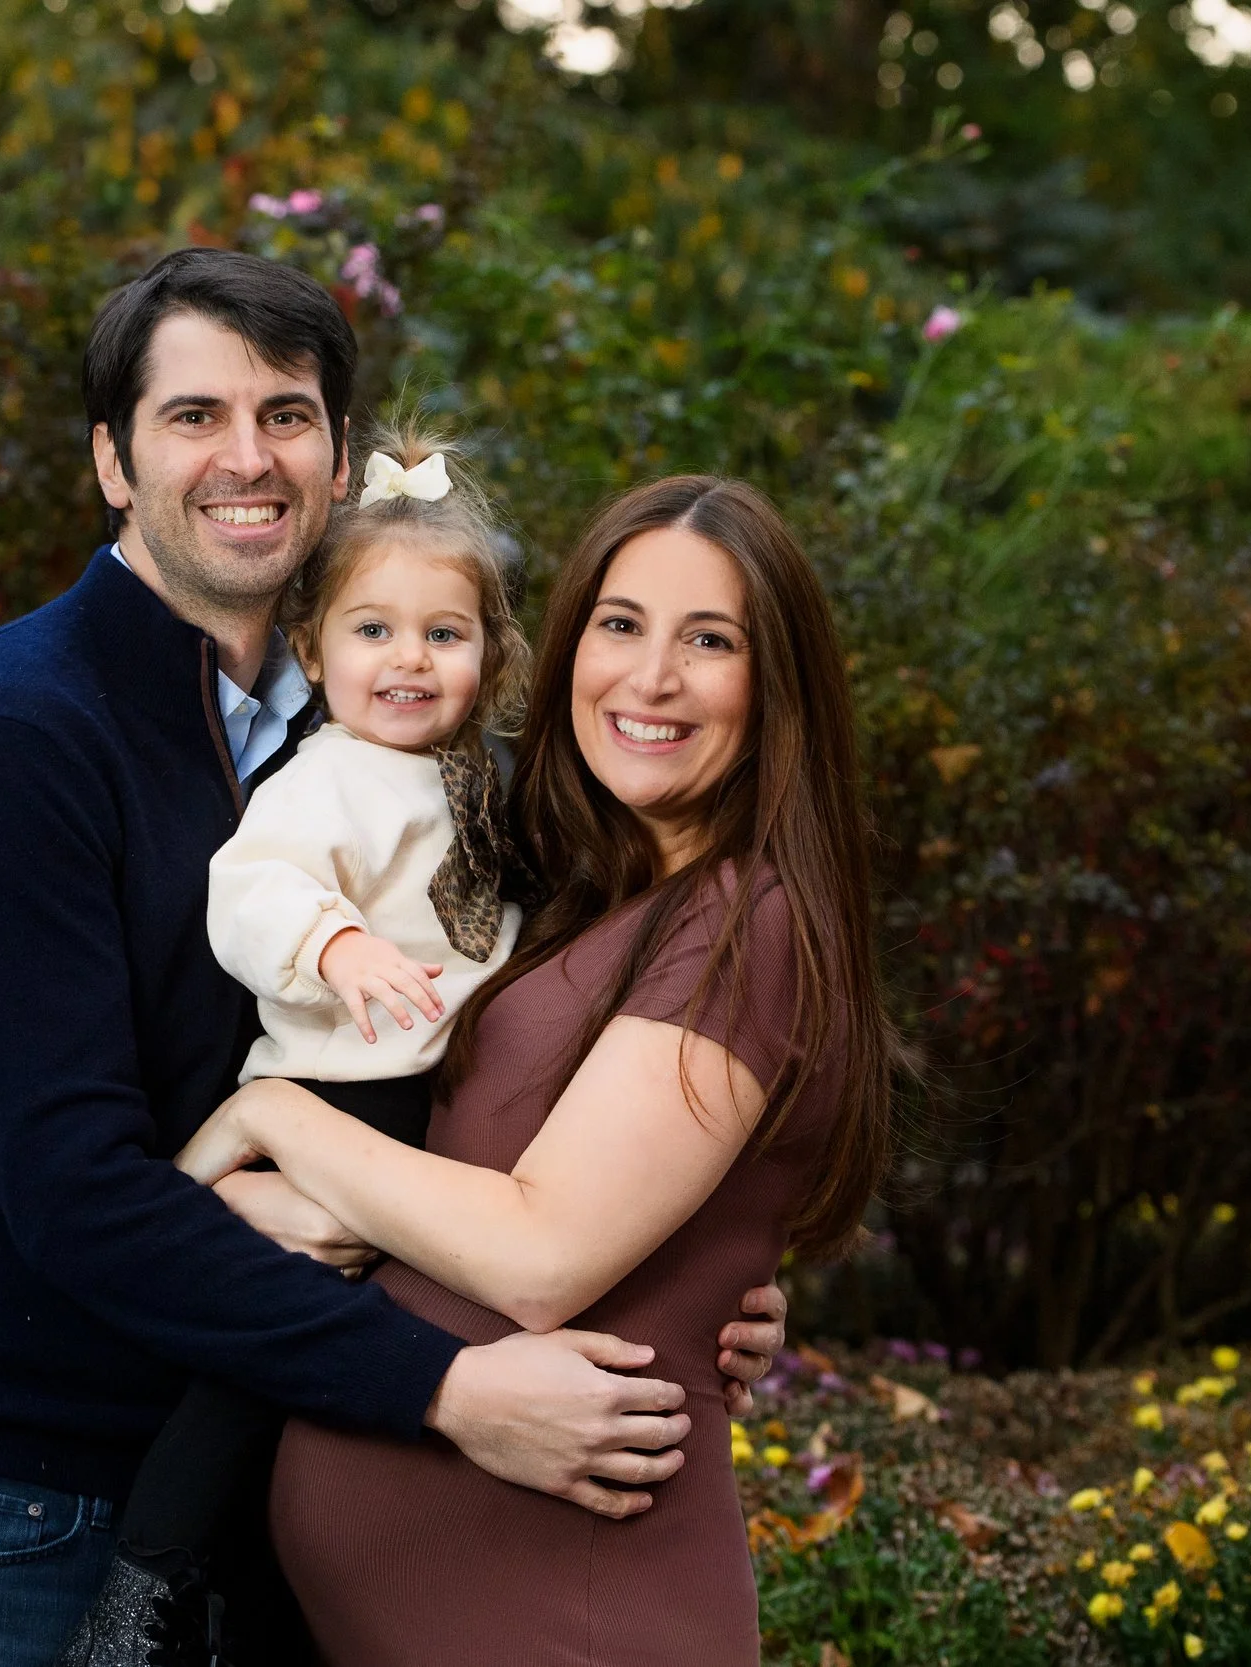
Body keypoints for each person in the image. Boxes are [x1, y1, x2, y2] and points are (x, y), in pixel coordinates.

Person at [0, 249, 786, 1667]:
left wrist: (693, 1275)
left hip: (263, 1470)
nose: (247, 456)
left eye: (286, 414)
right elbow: (73, 1187)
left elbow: (533, 1070)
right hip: (4, 1509)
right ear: (111, 461)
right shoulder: (8, 738)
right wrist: (446, 1384)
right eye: (193, 415)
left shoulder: (364, 734)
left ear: (337, 457)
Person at [177, 475, 900, 1664]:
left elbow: (539, 1253)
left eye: (708, 641)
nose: (650, 677)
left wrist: (273, 1114)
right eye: (621, 623)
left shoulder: (742, 921)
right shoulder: (574, 894)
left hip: (576, 1613)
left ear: (778, 686)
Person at [69, 416, 535, 1658]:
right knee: (254, 1359)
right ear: (315, 650)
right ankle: (139, 1594)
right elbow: (251, 888)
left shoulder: (479, 777)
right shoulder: (326, 775)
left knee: (329, 1389)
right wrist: (335, 946)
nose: (408, 659)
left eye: (444, 634)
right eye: (373, 631)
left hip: (428, 1101)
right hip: (340, 1090)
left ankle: (269, 1603)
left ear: (489, 654)